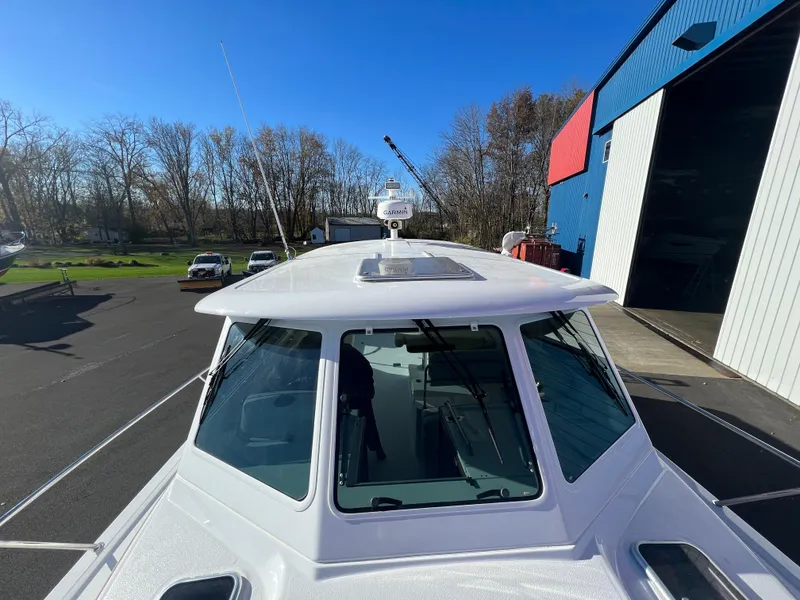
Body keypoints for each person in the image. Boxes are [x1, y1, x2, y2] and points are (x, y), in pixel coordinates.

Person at [339, 343, 386, 460]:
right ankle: (377, 450)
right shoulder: (343, 350)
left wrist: (346, 393)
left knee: (365, 422)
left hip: (360, 390)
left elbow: (350, 375)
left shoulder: (344, 354)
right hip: (359, 388)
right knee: (368, 421)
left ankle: (368, 453)